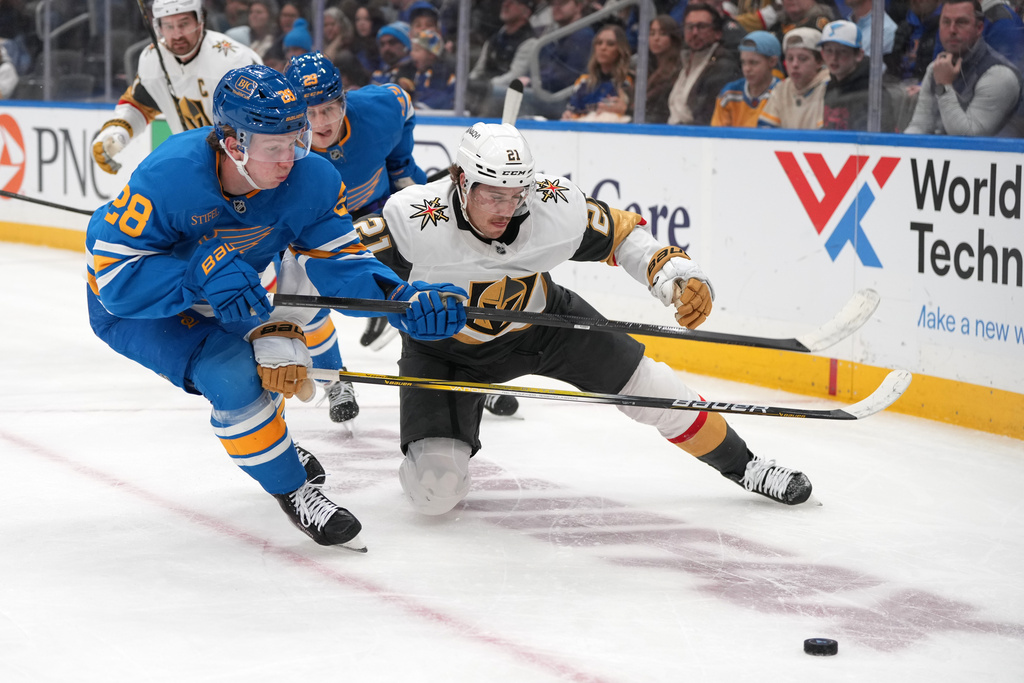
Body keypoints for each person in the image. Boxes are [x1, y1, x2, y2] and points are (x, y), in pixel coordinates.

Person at [85, 64, 467, 548]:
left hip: (233, 287)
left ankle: (271, 443)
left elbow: (340, 261)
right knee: (233, 379)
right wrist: (196, 271)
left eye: (297, 139)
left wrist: (398, 298)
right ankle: (294, 489)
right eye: (274, 147)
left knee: (272, 371)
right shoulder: (170, 175)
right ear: (233, 142)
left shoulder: (313, 179)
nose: (291, 159)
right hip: (142, 303)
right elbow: (116, 282)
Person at [356, 121, 814, 517]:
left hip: (546, 326)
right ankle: (447, 431)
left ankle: (747, 465)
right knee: (434, 493)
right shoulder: (412, 217)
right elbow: (342, 266)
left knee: (655, 390)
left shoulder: (552, 203)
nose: (505, 210)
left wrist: (673, 272)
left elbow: (622, 236)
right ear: (460, 180)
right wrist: (396, 306)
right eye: (493, 195)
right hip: (444, 351)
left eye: (516, 196)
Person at [91, 0, 261, 175]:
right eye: (168, 26)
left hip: (243, 167)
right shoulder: (153, 60)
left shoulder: (234, 60)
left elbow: (264, 118)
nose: (177, 34)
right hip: (193, 166)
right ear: (158, 27)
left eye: (184, 24)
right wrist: (116, 134)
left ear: (200, 19)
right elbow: (139, 105)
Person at [904, 0, 1022, 135]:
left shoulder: (1000, 75)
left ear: (979, 28)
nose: (952, 30)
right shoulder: (936, 68)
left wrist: (944, 86)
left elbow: (967, 137)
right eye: (946, 22)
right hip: (941, 154)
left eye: (961, 22)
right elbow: (919, 125)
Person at [668, 4, 742, 126]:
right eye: (690, 27)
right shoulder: (681, 62)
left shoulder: (723, 67)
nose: (695, 32)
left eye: (701, 27)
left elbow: (706, 119)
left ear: (717, 33)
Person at [519, 0, 595, 119]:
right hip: (543, 94)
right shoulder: (554, 35)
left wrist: (533, 81)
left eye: (562, 3)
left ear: (578, 6)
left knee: (508, 95)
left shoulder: (583, 36)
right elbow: (537, 65)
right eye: (553, 4)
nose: (556, 7)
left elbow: (569, 77)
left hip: (563, 101)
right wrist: (528, 78)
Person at [819, 19, 896, 130]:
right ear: (822, 53)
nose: (834, 58)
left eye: (842, 51)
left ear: (859, 55)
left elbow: (872, 139)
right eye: (829, 51)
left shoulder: (872, 92)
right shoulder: (832, 84)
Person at [466, 0, 538, 116]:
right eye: (505, 1)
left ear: (526, 12)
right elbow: (478, 70)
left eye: (513, 2)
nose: (506, 4)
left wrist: (487, 85)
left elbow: (515, 76)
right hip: (485, 90)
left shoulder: (530, 41)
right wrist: (470, 83)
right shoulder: (494, 38)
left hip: (502, 98)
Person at [758, 26, 830, 127]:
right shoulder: (781, 89)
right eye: (790, 58)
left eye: (802, 59)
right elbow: (766, 131)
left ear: (819, 61)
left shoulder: (829, 88)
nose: (795, 64)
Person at [562, 23, 634, 121]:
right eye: (599, 43)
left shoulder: (628, 82)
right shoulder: (584, 81)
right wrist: (568, 115)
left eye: (610, 44)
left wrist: (624, 109)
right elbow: (571, 112)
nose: (603, 48)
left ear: (620, 50)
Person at [711, 30, 782, 126]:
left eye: (753, 63)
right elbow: (718, 135)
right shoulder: (729, 93)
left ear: (772, 62)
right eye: (743, 62)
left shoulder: (782, 94)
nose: (747, 69)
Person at [643, 14, 684, 124]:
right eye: (652, 33)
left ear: (673, 38)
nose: (656, 38)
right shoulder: (645, 67)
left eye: (663, 34)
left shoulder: (677, 72)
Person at [409, 28, 456, 110]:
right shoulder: (416, 71)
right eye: (412, 49)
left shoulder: (441, 74)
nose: (411, 53)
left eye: (417, 50)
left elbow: (439, 98)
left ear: (431, 54)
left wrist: (418, 107)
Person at [371, 21, 417, 94]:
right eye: (382, 44)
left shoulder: (414, 71)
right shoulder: (379, 73)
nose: (386, 48)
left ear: (406, 45)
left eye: (392, 42)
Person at [352, 4, 387, 74]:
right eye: (358, 20)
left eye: (366, 19)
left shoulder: (383, 44)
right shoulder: (353, 45)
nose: (361, 23)